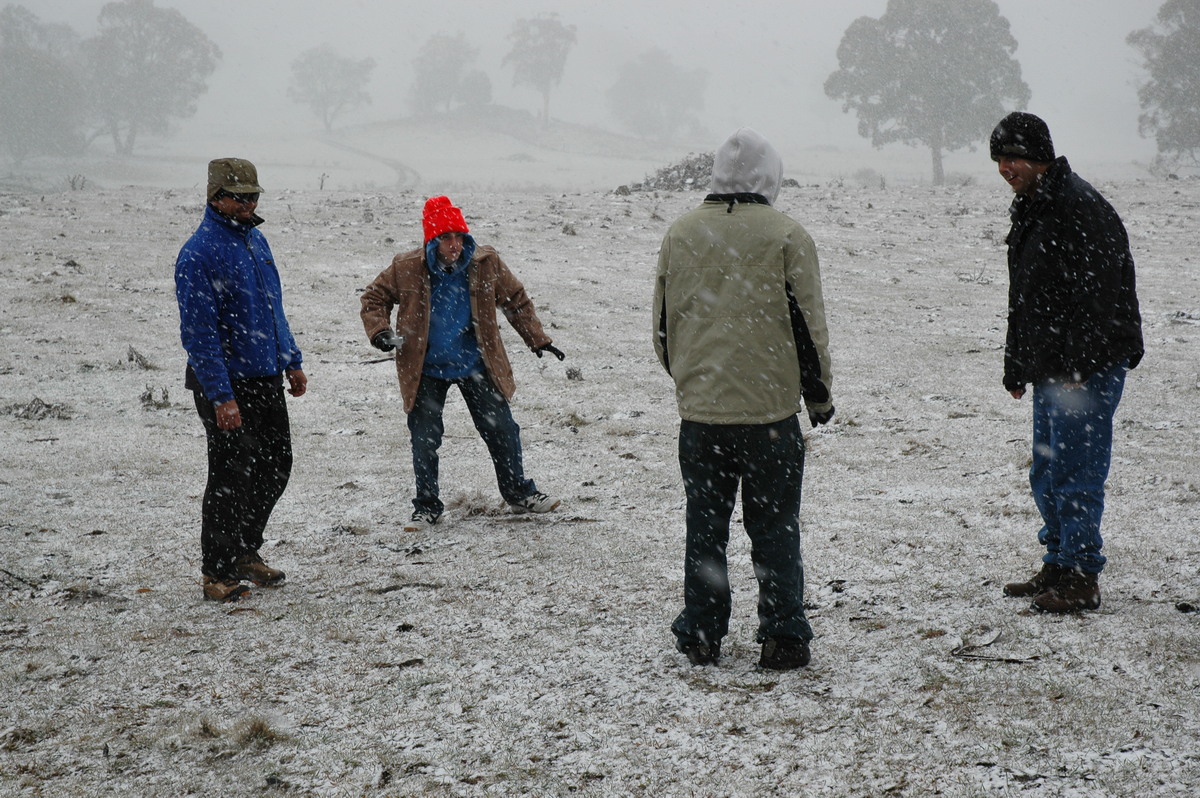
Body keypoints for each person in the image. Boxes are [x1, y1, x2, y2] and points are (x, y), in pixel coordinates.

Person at [654, 128, 835, 670]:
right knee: (775, 525)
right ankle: (783, 634)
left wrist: (688, 379)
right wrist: (817, 397)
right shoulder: (787, 236)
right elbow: (809, 326)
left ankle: (702, 633)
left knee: (704, 525)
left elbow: (663, 326)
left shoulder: (680, 233)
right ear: (770, 175)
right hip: (770, 417)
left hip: (702, 416)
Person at [990, 112, 1143, 613]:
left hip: (1085, 366)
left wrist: (1075, 371)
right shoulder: (1035, 205)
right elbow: (1027, 297)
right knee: (1048, 467)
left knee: (1075, 469)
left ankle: (1081, 575)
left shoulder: (1079, 207)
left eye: (1013, 157)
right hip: (1053, 364)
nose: (1005, 168)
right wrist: (1018, 367)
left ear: (1040, 157)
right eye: (999, 159)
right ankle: (1057, 560)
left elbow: (1098, 299)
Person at [360, 195, 563, 531]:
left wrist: (537, 338)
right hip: (425, 367)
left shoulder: (486, 262)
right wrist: (380, 332)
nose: (454, 245)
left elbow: (515, 299)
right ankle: (427, 507)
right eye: (445, 238)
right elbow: (373, 298)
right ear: (431, 240)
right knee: (425, 438)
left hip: (476, 363)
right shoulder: (406, 267)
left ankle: (517, 493)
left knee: (502, 429)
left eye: (459, 237)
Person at [175, 157, 308, 603]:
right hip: (226, 385)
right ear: (216, 198)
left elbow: (273, 307)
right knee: (230, 474)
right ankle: (217, 572)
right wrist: (221, 396)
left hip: (266, 376)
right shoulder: (199, 253)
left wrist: (291, 359)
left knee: (276, 465)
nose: (249, 204)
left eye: (253, 196)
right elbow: (199, 334)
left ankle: (244, 550)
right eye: (240, 197)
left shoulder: (257, 242)